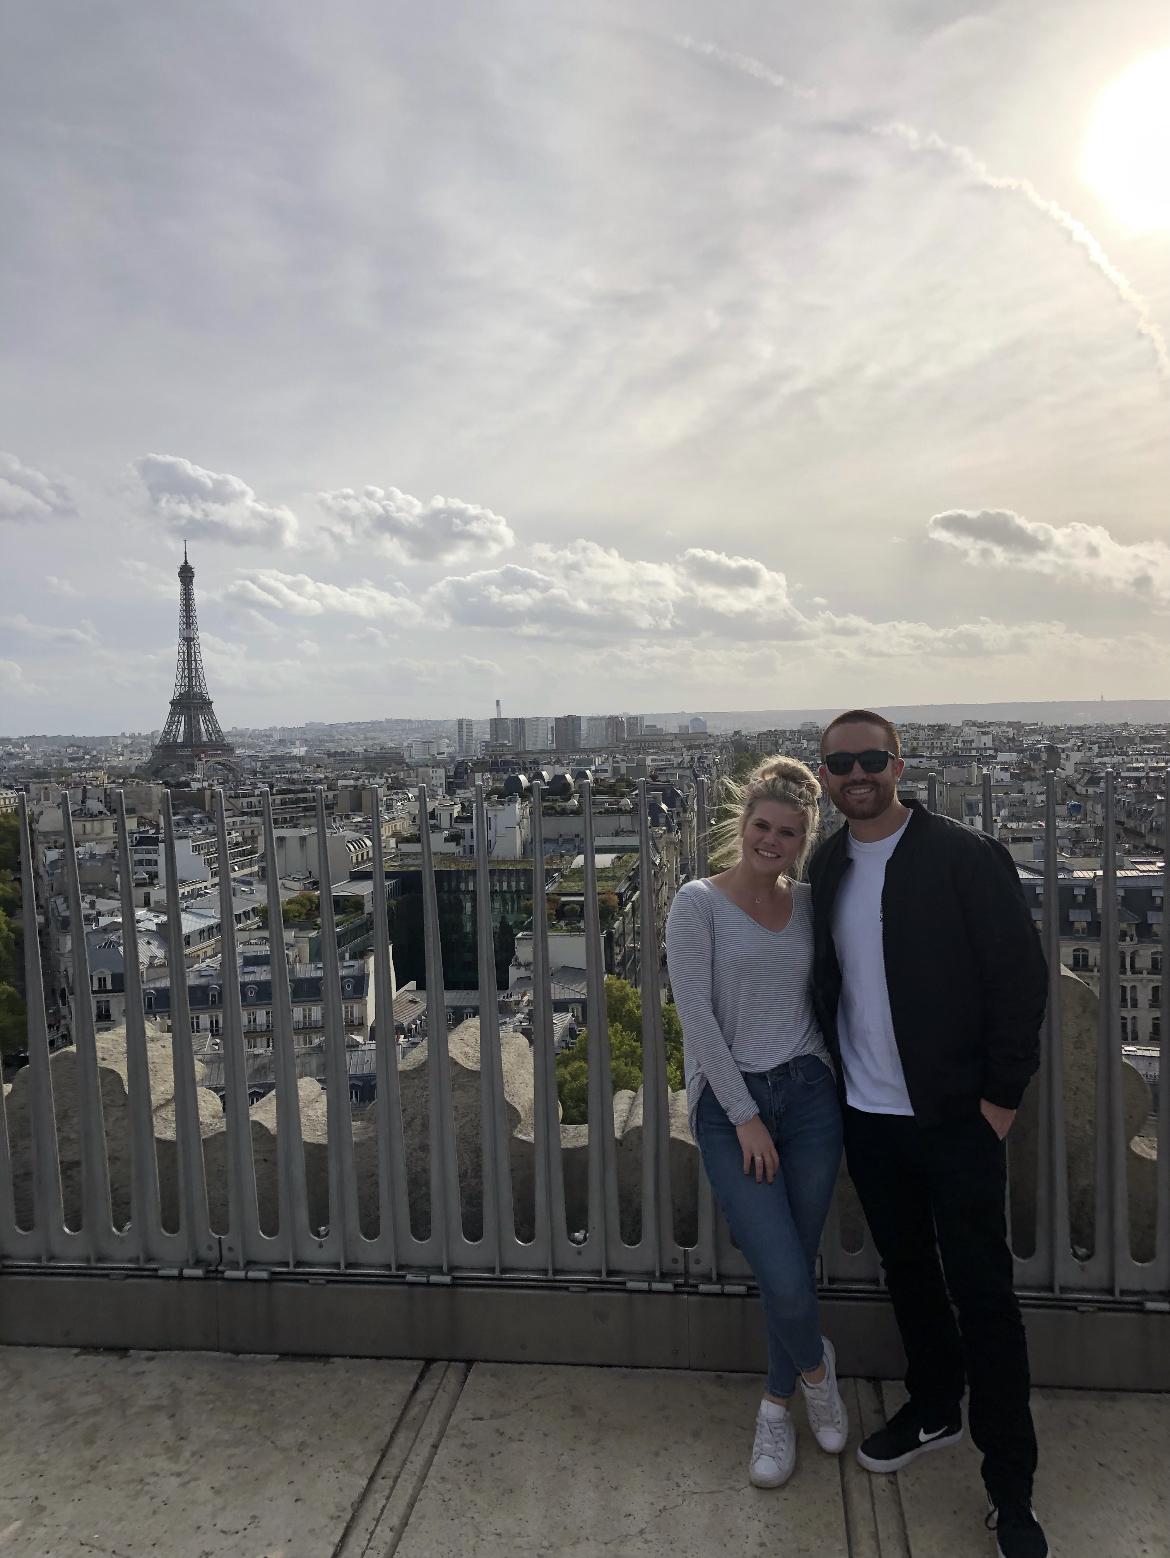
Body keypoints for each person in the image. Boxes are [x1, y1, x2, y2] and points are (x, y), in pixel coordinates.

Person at [807, 710, 1048, 1558]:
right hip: (871, 1116)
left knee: (985, 1295)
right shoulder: (827, 863)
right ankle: (936, 1406)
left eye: (872, 759)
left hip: (954, 1118)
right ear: (825, 776)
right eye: (842, 763)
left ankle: (1011, 1490)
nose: (858, 774)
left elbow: (1019, 977)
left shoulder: (964, 855)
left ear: (899, 765)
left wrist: (1000, 1098)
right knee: (908, 1272)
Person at [666, 756, 847, 1489]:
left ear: (804, 842)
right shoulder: (697, 903)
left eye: (788, 833)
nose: (772, 841)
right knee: (784, 1273)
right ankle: (817, 1374)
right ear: (740, 825)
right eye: (762, 826)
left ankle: (775, 1407)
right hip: (731, 1105)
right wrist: (743, 1115)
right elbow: (697, 1017)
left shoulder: (807, 905)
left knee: (791, 1267)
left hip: (809, 1096)